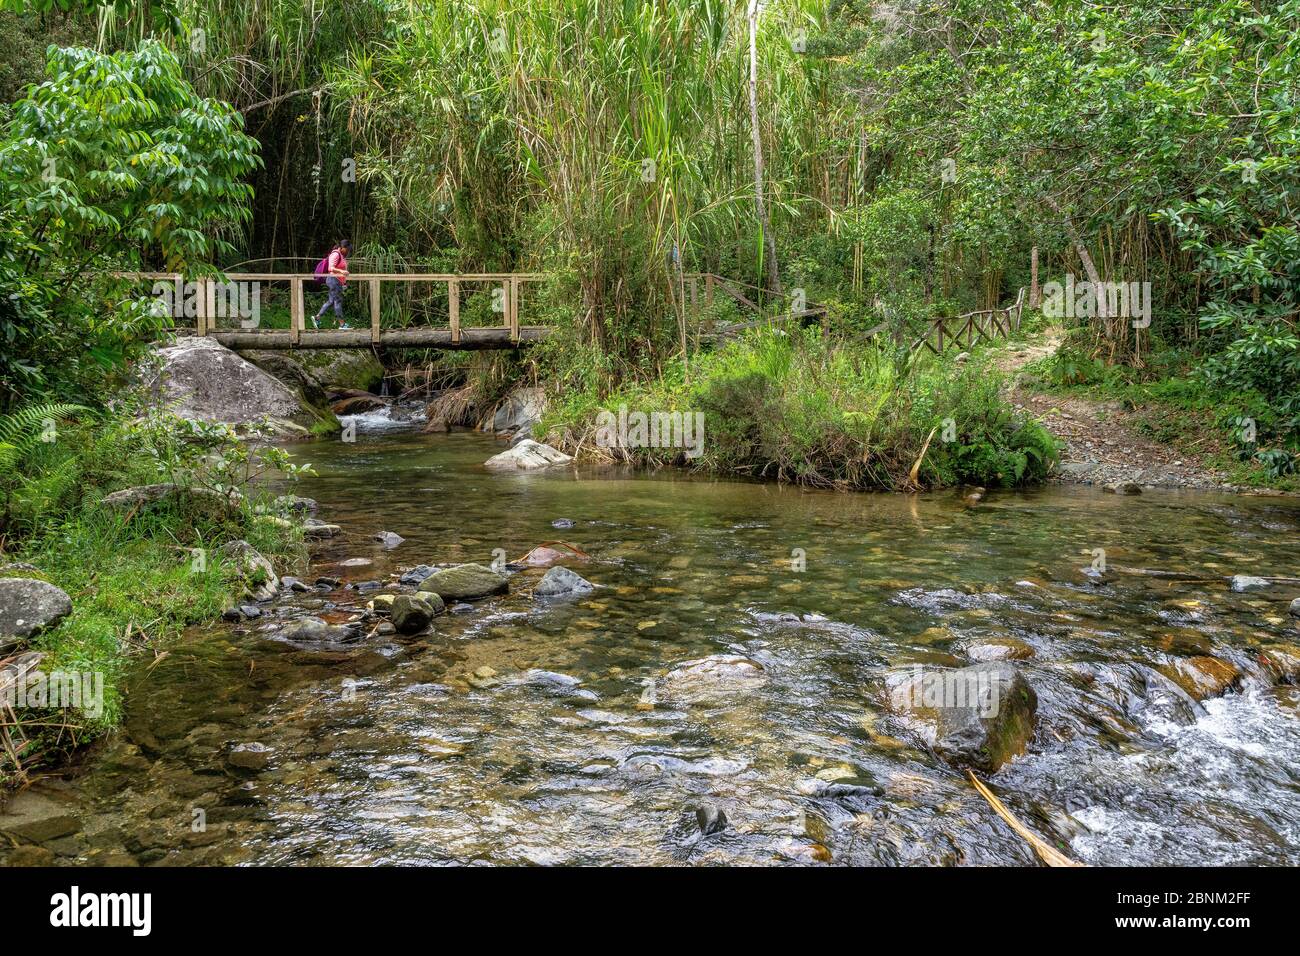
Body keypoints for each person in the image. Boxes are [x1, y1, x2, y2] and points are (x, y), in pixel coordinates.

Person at [314, 239, 352, 328]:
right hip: (333, 280)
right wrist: (342, 271)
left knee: (331, 301)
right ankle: (342, 324)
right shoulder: (335, 254)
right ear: (343, 247)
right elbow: (330, 268)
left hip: (337, 281)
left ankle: (317, 317)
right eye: (347, 249)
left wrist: (344, 283)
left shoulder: (341, 256)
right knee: (338, 301)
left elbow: (342, 271)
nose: (348, 251)